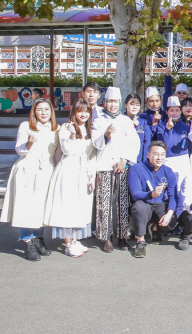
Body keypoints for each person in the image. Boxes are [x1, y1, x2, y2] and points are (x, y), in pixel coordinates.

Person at [0, 98, 59, 261]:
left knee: (42, 207)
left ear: (51, 111)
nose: (43, 113)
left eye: (47, 109)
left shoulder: (56, 129)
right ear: (34, 111)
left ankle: (38, 239)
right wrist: (29, 143)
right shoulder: (25, 126)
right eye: (39, 110)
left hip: (46, 170)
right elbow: (19, 149)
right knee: (26, 207)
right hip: (28, 169)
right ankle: (27, 241)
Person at [44, 99, 96, 257]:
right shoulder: (66, 128)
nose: (83, 114)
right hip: (68, 170)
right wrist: (72, 136)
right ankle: (68, 244)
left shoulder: (89, 129)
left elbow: (91, 154)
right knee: (67, 206)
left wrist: (91, 175)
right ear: (73, 112)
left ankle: (74, 239)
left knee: (79, 206)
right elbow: (66, 149)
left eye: (86, 111)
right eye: (80, 111)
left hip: (83, 171)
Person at [91, 87, 140, 252]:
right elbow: (96, 144)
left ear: (120, 103)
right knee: (104, 202)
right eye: (110, 101)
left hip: (122, 165)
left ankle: (123, 236)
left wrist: (124, 160)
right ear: (105, 102)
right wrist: (106, 134)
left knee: (123, 201)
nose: (112, 105)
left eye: (115, 102)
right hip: (104, 164)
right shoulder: (98, 120)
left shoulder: (126, 121)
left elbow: (134, 143)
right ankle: (106, 237)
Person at [128, 141, 178, 258]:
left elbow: (173, 196)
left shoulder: (168, 171)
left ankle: (155, 229)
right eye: (156, 154)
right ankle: (140, 241)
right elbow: (136, 194)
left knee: (172, 220)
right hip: (144, 203)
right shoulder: (136, 168)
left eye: (162, 155)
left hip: (160, 204)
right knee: (139, 207)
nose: (159, 158)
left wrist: (169, 214)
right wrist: (152, 194)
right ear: (148, 155)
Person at [157, 96, 192, 187]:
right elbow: (163, 145)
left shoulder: (185, 126)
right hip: (168, 159)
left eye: (177, 110)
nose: (174, 113)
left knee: (184, 186)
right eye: (172, 110)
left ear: (180, 111)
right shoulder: (161, 126)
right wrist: (168, 129)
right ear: (167, 112)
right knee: (169, 186)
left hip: (183, 159)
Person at [124, 93, 151, 164]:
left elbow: (147, 143)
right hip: (123, 162)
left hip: (139, 162)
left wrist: (145, 162)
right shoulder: (120, 120)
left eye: (137, 105)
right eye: (132, 104)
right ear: (125, 105)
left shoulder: (143, 123)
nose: (135, 107)